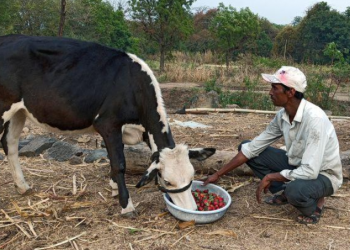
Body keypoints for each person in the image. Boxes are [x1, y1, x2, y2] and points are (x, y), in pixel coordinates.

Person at [203, 66, 343, 224]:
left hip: (323, 175)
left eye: (275, 88)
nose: (270, 92)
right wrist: (218, 174)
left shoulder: (315, 119)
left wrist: (272, 176)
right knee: (246, 146)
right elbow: (253, 148)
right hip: (298, 166)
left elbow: (311, 170)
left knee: (295, 191)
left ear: (290, 92)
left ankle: (316, 204)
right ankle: (285, 191)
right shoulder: (282, 116)